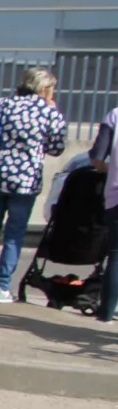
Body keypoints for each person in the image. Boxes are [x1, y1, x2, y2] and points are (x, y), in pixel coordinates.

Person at [0, 66, 67, 303]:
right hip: (25, 179)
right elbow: (57, 147)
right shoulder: (48, 112)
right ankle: (2, 287)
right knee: (14, 234)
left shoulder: (5, 104)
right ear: (44, 89)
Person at [90, 107, 116, 322]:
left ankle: (107, 312)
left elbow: (97, 160)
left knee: (116, 255)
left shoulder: (114, 116)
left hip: (116, 195)